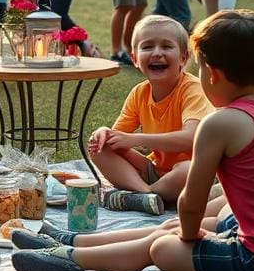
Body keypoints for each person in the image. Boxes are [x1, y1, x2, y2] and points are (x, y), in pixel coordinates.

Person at [11, 10, 254, 271]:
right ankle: (72, 243)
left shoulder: (221, 123)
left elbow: (190, 205)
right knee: (170, 228)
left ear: (212, 73)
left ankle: (72, 260)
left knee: (165, 245)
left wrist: (190, 237)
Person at [88, 15, 213, 214]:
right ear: (134, 59)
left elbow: (192, 138)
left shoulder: (192, 89)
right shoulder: (139, 92)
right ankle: (145, 195)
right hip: (153, 171)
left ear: (184, 57)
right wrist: (104, 133)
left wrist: (134, 139)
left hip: (190, 173)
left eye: (166, 46)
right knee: (99, 148)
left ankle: (138, 195)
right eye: (147, 47)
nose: (156, 53)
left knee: (187, 169)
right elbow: (117, 138)